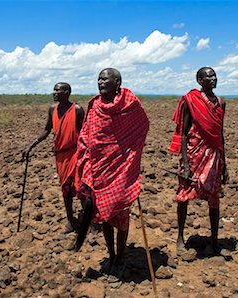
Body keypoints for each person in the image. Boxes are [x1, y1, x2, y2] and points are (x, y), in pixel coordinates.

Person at [74, 68, 149, 274]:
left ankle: (121, 257)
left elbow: (141, 127)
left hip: (122, 170)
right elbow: (86, 136)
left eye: (105, 78)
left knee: (122, 213)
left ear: (117, 82)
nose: (100, 82)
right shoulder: (95, 105)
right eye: (98, 78)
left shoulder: (130, 105)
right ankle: (111, 254)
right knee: (104, 215)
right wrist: (86, 162)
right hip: (99, 170)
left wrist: (131, 156)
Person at [169, 66, 229, 255]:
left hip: (214, 156)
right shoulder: (190, 100)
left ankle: (214, 240)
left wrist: (224, 164)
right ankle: (180, 237)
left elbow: (219, 135)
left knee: (214, 198)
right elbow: (184, 134)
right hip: (194, 155)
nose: (213, 79)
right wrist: (185, 164)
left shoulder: (220, 102)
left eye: (214, 76)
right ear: (199, 81)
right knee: (184, 196)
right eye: (208, 76)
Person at [22, 82, 85, 233]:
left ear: (67, 92)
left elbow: (84, 133)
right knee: (66, 189)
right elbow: (46, 130)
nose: (54, 92)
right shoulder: (52, 109)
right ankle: (70, 221)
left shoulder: (77, 110)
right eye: (54, 90)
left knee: (81, 187)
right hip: (60, 156)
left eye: (58, 90)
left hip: (75, 153)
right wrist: (31, 145)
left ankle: (88, 221)